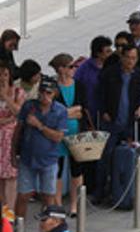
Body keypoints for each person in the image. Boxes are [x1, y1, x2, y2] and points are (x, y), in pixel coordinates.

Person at [95, 44, 140, 205]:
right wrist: (103, 111)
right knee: (105, 157)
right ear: (122, 57)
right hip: (111, 122)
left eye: (134, 58)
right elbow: (100, 94)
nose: (131, 61)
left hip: (130, 122)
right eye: (128, 58)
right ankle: (100, 191)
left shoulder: (139, 74)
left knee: (130, 156)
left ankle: (129, 190)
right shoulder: (110, 73)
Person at [14, 80, 68, 218]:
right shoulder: (29, 106)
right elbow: (18, 130)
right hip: (27, 158)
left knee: (48, 197)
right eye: (42, 92)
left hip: (49, 159)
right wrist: (13, 153)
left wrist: (39, 125)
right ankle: (18, 227)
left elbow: (58, 137)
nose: (44, 95)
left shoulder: (60, 111)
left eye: (48, 92)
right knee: (23, 195)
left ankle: (47, 227)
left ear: (54, 93)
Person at [48, 56, 82, 217]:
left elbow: (82, 110)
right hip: (58, 135)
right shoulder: (53, 87)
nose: (73, 69)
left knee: (76, 169)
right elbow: (52, 112)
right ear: (61, 69)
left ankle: (75, 204)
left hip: (76, 134)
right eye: (70, 66)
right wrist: (69, 112)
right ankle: (58, 204)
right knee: (58, 170)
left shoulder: (79, 85)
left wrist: (64, 113)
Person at [0, 65, 24, 210]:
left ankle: (9, 213)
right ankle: (3, 211)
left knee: (11, 177)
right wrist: (8, 120)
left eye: (5, 74)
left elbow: (19, 112)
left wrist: (5, 96)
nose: (2, 78)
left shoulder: (17, 92)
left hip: (11, 140)